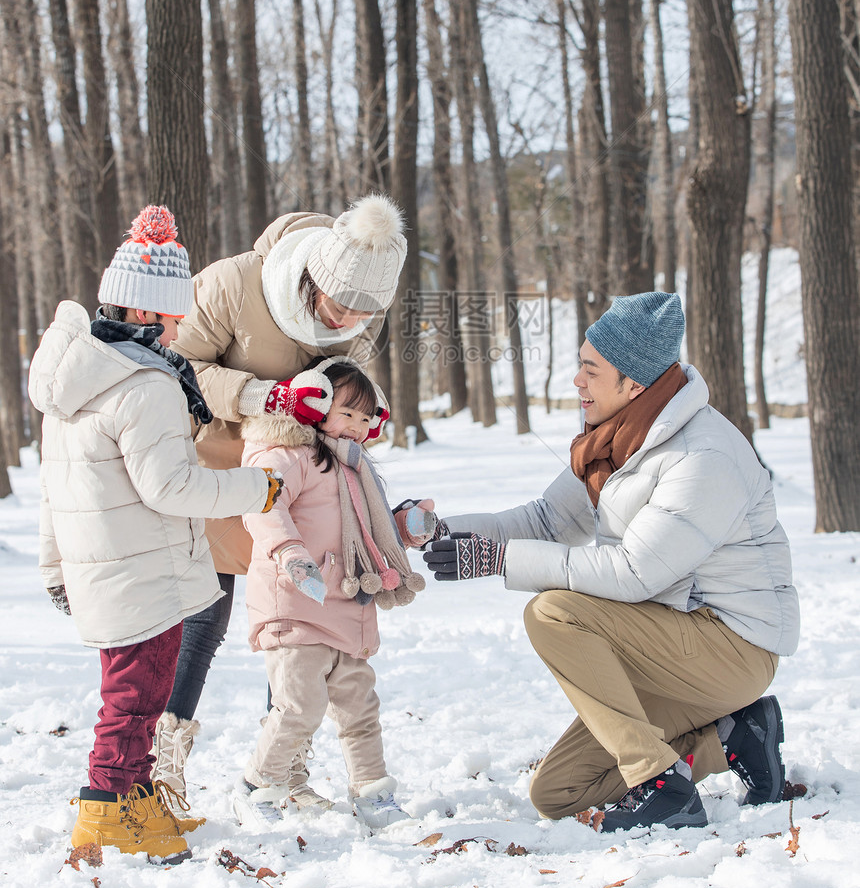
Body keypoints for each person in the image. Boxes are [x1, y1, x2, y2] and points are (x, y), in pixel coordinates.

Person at [425, 291, 799, 834]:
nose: (576, 381)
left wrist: (497, 560)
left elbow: (634, 573)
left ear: (634, 384)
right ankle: (732, 739)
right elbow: (546, 521)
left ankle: (657, 783)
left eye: (590, 370)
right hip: (668, 642)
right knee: (559, 792)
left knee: (553, 612)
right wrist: (439, 533)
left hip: (733, 647)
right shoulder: (618, 444)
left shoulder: (703, 456)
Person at [28, 206, 284, 863]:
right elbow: (172, 487)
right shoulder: (145, 386)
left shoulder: (76, 383)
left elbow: (54, 490)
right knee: (136, 701)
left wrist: (55, 567)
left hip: (107, 569)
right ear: (146, 316)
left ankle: (136, 799)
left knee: (133, 694)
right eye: (173, 320)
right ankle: (104, 811)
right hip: (144, 574)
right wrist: (259, 489)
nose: (177, 332)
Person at [152, 195, 407, 798]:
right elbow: (174, 365)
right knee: (205, 615)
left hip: (300, 481)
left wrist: (362, 416)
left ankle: (285, 771)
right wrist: (262, 397)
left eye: (362, 316)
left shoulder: (359, 315)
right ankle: (164, 761)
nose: (348, 324)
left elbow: (345, 392)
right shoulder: (233, 284)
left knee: (304, 622)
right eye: (340, 309)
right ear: (314, 278)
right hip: (213, 463)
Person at [231, 357, 429, 831]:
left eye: (366, 418)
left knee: (360, 706)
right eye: (347, 413)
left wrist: (403, 525)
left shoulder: (356, 469)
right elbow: (261, 500)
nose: (357, 427)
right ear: (316, 405)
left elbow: (365, 528)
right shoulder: (288, 454)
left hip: (346, 605)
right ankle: (256, 786)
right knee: (300, 706)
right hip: (296, 602)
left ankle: (372, 792)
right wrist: (289, 550)